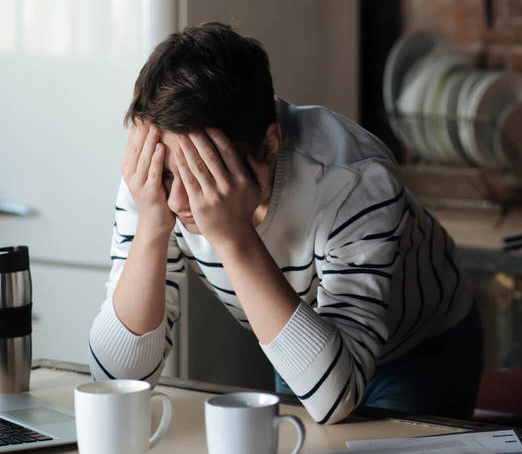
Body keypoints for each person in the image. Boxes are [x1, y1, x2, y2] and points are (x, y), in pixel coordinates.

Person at [88, 23, 483, 424]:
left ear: (270, 145)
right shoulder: (154, 175)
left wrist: (234, 237)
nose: (177, 201)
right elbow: (116, 381)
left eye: (206, 176)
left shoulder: (353, 178)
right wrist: (152, 227)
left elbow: (334, 397)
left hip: (420, 346)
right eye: (170, 177)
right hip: (303, 336)